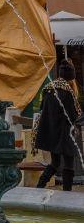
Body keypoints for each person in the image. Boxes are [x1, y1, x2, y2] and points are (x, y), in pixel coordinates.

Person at [34, 59, 81, 192]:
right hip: (65, 134)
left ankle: (39, 187)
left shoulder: (49, 89)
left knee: (55, 163)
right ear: (70, 79)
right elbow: (73, 115)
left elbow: (43, 109)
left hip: (51, 132)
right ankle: (67, 193)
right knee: (69, 165)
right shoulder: (68, 92)